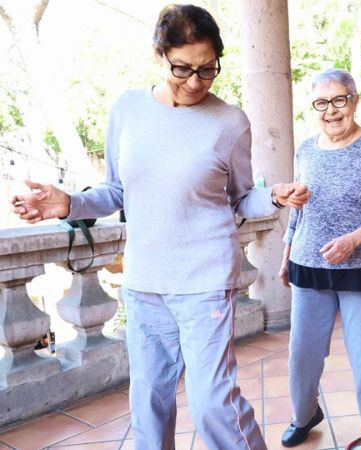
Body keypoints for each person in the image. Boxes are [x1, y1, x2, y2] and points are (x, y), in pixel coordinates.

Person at [10, 5, 310, 449]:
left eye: (207, 70)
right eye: (182, 69)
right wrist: (68, 204)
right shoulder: (128, 110)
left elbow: (243, 197)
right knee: (148, 405)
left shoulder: (229, 122)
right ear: (158, 55)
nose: (194, 83)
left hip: (205, 283)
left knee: (213, 404)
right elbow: (115, 191)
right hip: (145, 285)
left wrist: (274, 196)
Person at [277, 68, 361, 449]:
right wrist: (287, 251)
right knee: (303, 354)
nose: (331, 111)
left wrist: (355, 239)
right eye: (321, 103)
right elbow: (297, 207)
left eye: (339, 100)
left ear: (354, 101)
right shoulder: (305, 149)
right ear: (313, 107)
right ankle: (304, 415)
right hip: (308, 265)